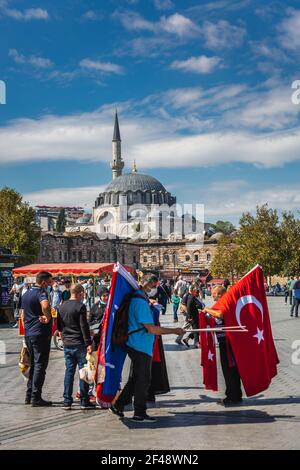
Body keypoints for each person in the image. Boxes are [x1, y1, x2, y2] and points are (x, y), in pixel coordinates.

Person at [110, 274, 184, 423]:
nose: (155, 289)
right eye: (154, 286)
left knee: (136, 378)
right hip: (140, 344)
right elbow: (151, 329)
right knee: (143, 379)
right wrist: (174, 330)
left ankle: (118, 404)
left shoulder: (137, 298)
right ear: (147, 285)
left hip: (136, 343)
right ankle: (139, 413)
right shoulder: (140, 302)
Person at [57, 283, 96, 410]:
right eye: (83, 294)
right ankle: (84, 401)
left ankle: (67, 401)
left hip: (67, 343)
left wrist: (64, 338)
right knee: (83, 372)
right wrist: (88, 343)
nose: (83, 296)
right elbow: (83, 326)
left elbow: (59, 327)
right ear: (79, 293)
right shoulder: (80, 306)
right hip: (79, 343)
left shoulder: (61, 306)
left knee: (69, 372)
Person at [203, 286, 243, 406]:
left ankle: (232, 396)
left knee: (229, 369)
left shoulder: (225, 300)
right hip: (226, 340)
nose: (212, 296)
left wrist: (207, 309)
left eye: (213, 294)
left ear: (220, 294)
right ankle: (234, 394)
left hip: (227, 341)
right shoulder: (225, 300)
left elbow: (221, 314)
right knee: (231, 369)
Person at [21, 271, 53, 407]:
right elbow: (45, 305)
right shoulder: (41, 292)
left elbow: (22, 315)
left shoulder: (26, 294)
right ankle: (36, 397)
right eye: (50, 281)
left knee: (33, 364)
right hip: (40, 333)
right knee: (40, 364)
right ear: (44, 282)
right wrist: (48, 317)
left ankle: (29, 395)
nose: (51, 283)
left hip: (29, 333)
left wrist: (28, 327)